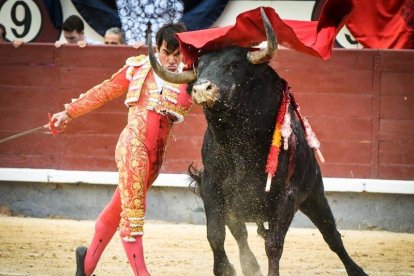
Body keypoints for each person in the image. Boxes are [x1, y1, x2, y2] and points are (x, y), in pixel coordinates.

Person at [50, 22, 191, 276]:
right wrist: (68, 112)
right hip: (133, 147)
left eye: (177, 54)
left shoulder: (188, 77)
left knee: (117, 209)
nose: (171, 60)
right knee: (133, 215)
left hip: (155, 159)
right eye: (166, 53)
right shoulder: (138, 67)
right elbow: (105, 91)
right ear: (157, 49)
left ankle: (85, 266)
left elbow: (187, 103)